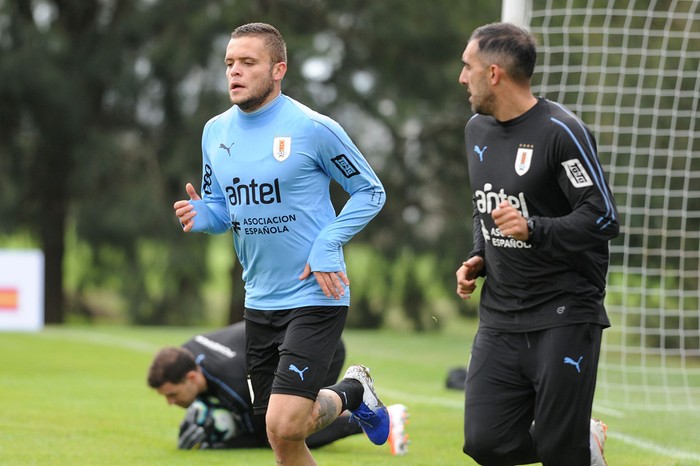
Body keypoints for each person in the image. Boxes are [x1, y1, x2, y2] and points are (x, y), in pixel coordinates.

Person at [173, 22, 390, 465]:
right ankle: (355, 393)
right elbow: (220, 208)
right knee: (279, 434)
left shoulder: (313, 128)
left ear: (278, 70)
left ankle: (351, 391)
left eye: (247, 63)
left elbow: (371, 191)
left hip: (316, 294)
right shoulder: (215, 132)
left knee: (286, 422)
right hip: (259, 299)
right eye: (230, 63)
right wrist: (204, 217)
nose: (234, 71)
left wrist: (328, 243)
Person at [455, 22, 619, 466]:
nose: (461, 77)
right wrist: (478, 256)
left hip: (564, 313)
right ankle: (578, 440)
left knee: (557, 452)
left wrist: (535, 229)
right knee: (484, 443)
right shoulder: (476, 131)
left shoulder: (561, 132)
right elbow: (483, 207)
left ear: (494, 73)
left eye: (467, 67)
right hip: (501, 316)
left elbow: (602, 216)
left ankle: (572, 444)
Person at [146, 322, 409, 454]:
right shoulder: (188, 351)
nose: (170, 402)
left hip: (319, 350)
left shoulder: (233, 383)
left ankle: (373, 414)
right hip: (300, 341)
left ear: (191, 378)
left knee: (285, 430)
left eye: (172, 394)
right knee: (285, 417)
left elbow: (259, 436)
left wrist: (217, 444)